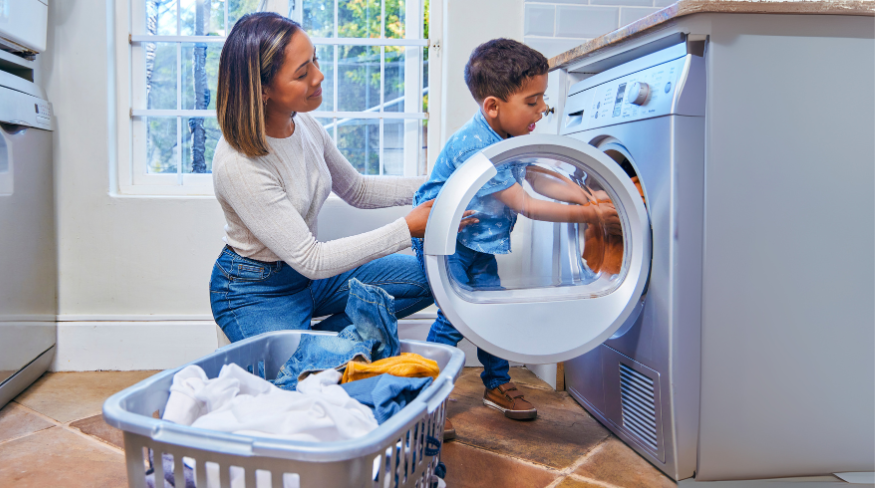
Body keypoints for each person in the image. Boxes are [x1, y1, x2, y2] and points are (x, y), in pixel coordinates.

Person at [208, 12, 476, 342]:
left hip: (311, 278)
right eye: (302, 73)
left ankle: (322, 346)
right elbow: (312, 258)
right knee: (295, 387)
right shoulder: (239, 165)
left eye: (315, 61)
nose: (319, 77)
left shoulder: (303, 125)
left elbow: (358, 189)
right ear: (263, 90)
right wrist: (407, 229)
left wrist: (445, 182)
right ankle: (316, 351)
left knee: (436, 278)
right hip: (256, 291)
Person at [412, 39, 620, 426]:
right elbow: (525, 204)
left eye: (542, 99)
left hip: (477, 240)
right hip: (444, 243)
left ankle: (496, 384)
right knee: (455, 317)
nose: (542, 108)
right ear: (493, 106)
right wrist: (590, 214)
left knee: (493, 308)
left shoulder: (511, 137)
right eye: (533, 101)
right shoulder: (475, 146)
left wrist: (587, 193)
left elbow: (538, 178)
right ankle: (423, 401)